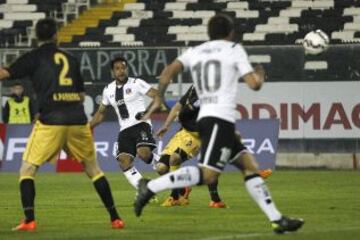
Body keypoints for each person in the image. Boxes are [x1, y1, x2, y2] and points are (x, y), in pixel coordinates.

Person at [134, 14, 304, 234]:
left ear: (209, 33)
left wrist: (159, 98)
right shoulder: (234, 49)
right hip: (218, 119)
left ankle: (276, 219)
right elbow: (254, 84)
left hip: (212, 120)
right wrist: (260, 74)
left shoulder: (195, 51)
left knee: (249, 166)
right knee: (208, 175)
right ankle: (151, 186)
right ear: (231, 32)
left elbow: (167, 72)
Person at [0, 18, 124, 231]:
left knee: (27, 169)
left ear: (36, 36)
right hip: (77, 119)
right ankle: (115, 218)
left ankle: (29, 220)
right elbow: (82, 94)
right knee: (93, 169)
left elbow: (4, 74)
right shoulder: (71, 58)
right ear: (57, 35)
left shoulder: (34, 57)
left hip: (51, 121)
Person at [155, 85, 272, 208]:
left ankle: (179, 197)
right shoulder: (194, 88)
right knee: (161, 168)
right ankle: (182, 189)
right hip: (185, 132)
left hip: (201, 134)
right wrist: (166, 125)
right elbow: (177, 107)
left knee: (180, 159)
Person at [90, 56, 161, 192]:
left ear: (126, 69)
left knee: (143, 153)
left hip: (141, 124)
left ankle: (160, 162)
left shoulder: (137, 83)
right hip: (125, 130)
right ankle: (145, 190)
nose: (121, 71)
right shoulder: (108, 90)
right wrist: (88, 127)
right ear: (112, 72)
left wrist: (147, 111)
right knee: (124, 161)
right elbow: (100, 114)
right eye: (117, 69)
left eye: (123, 68)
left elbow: (157, 95)